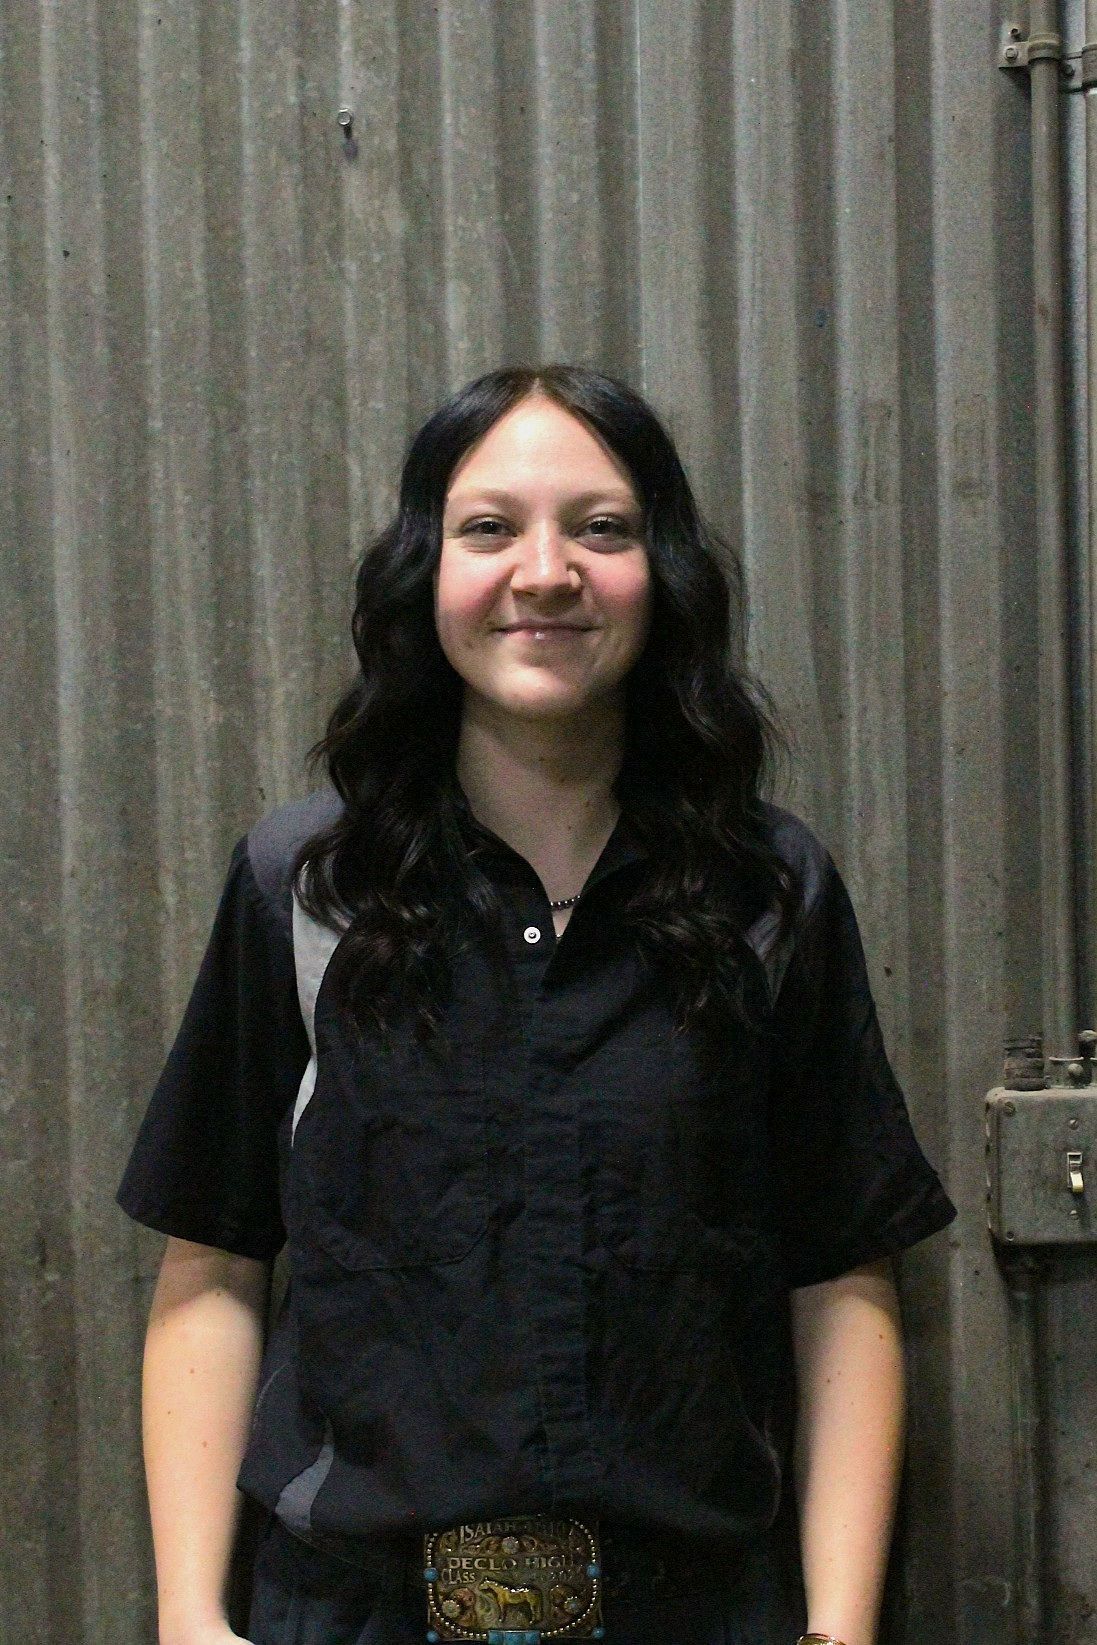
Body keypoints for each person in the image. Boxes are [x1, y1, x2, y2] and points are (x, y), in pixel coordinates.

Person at [116, 362, 957, 1645]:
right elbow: (212, 1264)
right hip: (354, 1614)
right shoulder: (305, 888)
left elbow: (840, 1275)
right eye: (489, 527)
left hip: (695, 1614)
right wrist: (188, 1616)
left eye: (601, 527)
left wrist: (836, 1630)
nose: (546, 571)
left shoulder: (764, 893)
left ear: (660, 571)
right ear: (425, 570)